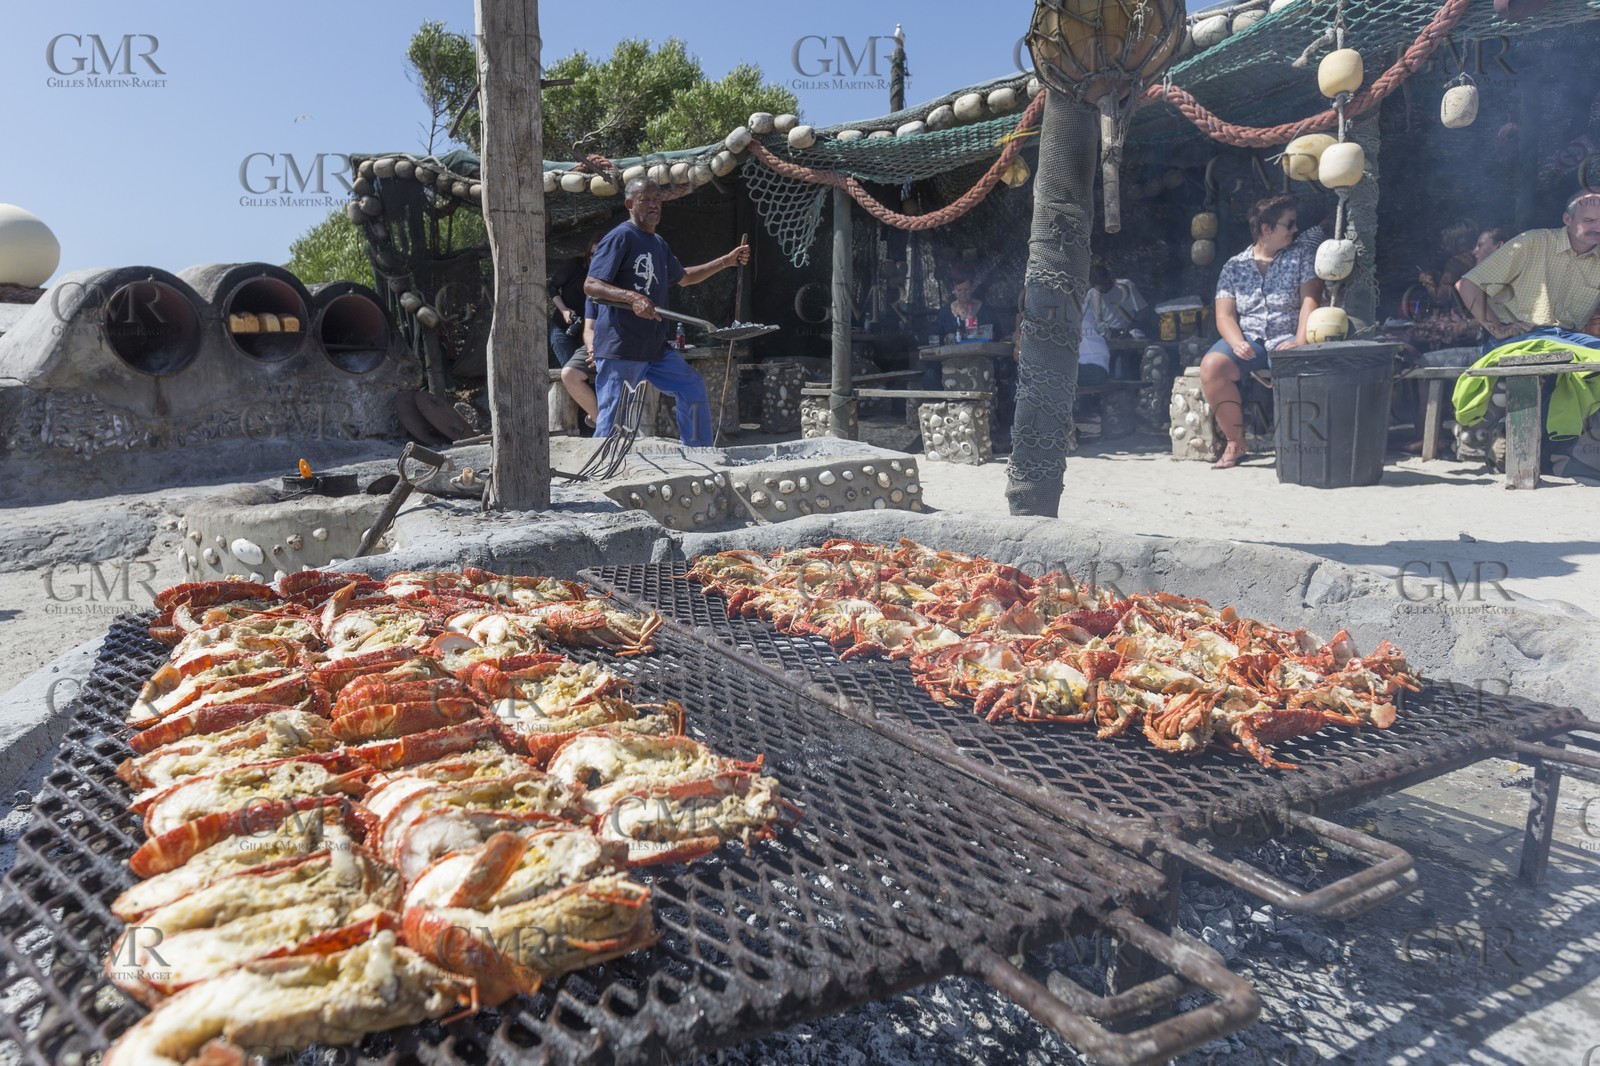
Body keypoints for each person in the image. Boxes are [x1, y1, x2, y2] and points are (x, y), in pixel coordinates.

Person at [582, 178, 750, 446]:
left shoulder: (658, 243)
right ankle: (597, 476)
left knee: (691, 385)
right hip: (621, 347)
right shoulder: (620, 236)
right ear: (629, 204)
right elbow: (591, 285)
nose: (654, 205)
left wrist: (725, 261)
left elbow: (683, 277)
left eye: (657, 200)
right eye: (646, 200)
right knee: (613, 418)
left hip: (654, 347)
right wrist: (633, 297)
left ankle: (699, 451)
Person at [1200, 194, 1323, 469]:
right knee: (1212, 366)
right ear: (1267, 229)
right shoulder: (1234, 266)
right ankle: (1236, 442)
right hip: (1251, 339)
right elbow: (1224, 315)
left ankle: (1300, 445)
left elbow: (1310, 301)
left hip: (1288, 336)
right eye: (1289, 224)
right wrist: (1236, 342)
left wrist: (1301, 341)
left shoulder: (1302, 256)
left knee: (1297, 364)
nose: (1295, 230)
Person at [1455, 192, 1600, 350]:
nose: (1597, 227)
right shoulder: (1533, 242)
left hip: (1569, 338)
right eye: (1589, 221)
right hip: (1520, 338)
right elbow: (1467, 284)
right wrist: (1496, 329)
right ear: (1568, 220)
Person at [1078, 261, 1149, 386]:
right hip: (1104, 336)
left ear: (1108, 278)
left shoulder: (1125, 286)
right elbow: (1089, 320)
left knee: (1121, 364)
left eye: (1103, 285)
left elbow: (1143, 310)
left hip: (1127, 332)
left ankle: (1123, 392)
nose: (1102, 289)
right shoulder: (1091, 294)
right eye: (1098, 287)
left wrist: (1129, 328)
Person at [547, 234, 598, 370]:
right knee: (572, 371)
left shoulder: (609, 276)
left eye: (600, 255)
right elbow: (552, 286)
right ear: (588, 254)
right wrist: (564, 310)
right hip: (564, 329)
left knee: (590, 374)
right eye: (593, 254)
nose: (595, 259)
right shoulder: (575, 265)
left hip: (590, 335)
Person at [559, 297, 600, 430]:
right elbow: (589, 329)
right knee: (569, 373)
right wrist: (592, 349)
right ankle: (600, 420)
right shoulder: (592, 290)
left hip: (626, 344)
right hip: (598, 342)